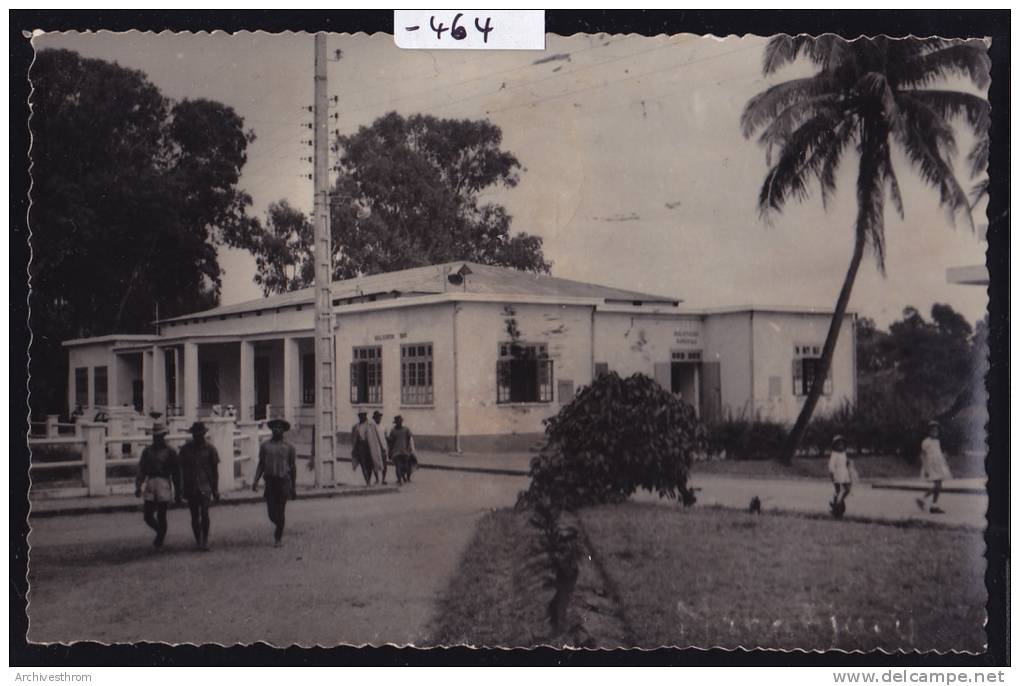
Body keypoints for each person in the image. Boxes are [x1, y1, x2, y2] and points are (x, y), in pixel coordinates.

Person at [134, 422, 181, 548]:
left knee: (162, 514)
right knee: (148, 515)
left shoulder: (170, 452)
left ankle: (160, 538)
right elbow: (141, 469)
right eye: (155, 436)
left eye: (159, 436)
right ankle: (160, 531)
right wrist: (138, 485)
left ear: (164, 436)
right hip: (151, 482)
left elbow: (176, 472)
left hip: (164, 482)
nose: (157, 438)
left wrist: (178, 492)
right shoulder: (147, 451)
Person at [253, 418, 297, 546]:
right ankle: (279, 524)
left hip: (283, 482)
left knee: (281, 509)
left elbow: (293, 467)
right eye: (275, 427)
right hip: (270, 482)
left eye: (280, 428)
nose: (277, 430)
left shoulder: (289, 447)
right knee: (271, 512)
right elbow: (261, 464)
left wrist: (293, 488)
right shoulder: (265, 446)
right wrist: (255, 481)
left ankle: (278, 537)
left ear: (283, 430)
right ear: (272, 429)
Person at [179, 421, 220, 551]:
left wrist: (216, 489)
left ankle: (205, 540)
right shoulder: (185, 449)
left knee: (204, 512)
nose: (198, 436)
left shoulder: (210, 449)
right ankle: (198, 540)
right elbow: (180, 469)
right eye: (195, 434)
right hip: (191, 485)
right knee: (194, 515)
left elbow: (215, 471)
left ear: (204, 434)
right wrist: (180, 488)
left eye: (200, 433)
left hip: (205, 485)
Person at [917, 420, 952, 514]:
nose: (934, 432)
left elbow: (938, 454)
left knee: (939, 486)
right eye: (932, 430)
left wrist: (944, 459)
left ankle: (934, 506)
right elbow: (923, 456)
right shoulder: (926, 442)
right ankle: (923, 498)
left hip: (938, 466)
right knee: (937, 486)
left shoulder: (937, 441)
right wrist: (926, 468)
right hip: (931, 466)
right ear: (929, 431)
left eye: (936, 430)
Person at [827, 435, 853, 518]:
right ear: (835, 446)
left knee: (848, 489)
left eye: (842, 444)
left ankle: (838, 502)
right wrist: (832, 474)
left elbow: (845, 463)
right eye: (838, 444)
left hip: (844, 473)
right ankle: (836, 505)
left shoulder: (844, 454)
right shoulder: (834, 454)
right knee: (838, 490)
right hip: (837, 473)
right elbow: (831, 465)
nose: (840, 446)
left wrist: (848, 463)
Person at [387, 415, 418, 484]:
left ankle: (400, 479)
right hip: (403, 451)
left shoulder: (394, 430)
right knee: (402, 466)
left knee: (400, 466)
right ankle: (401, 478)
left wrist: (390, 452)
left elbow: (391, 442)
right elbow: (409, 439)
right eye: (398, 421)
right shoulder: (406, 429)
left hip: (400, 451)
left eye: (399, 421)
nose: (399, 423)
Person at [351, 412, 373, 486]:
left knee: (370, 465)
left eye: (364, 415)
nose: (363, 417)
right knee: (363, 464)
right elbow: (353, 438)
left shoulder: (370, 425)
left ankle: (369, 479)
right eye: (361, 415)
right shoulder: (356, 426)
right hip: (360, 446)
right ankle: (367, 482)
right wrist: (354, 448)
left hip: (369, 446)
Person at [372, 410, 389, 484]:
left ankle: (383, 479)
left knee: (384, 464)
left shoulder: (384, 426)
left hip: (383, 447)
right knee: (375, 463)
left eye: (379, 417)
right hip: (375, 448)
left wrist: (387, 447)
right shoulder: (372, 427)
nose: (378, 418)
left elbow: (386, 437)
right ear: (374, 418)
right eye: (377, 417)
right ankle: (377, 479)